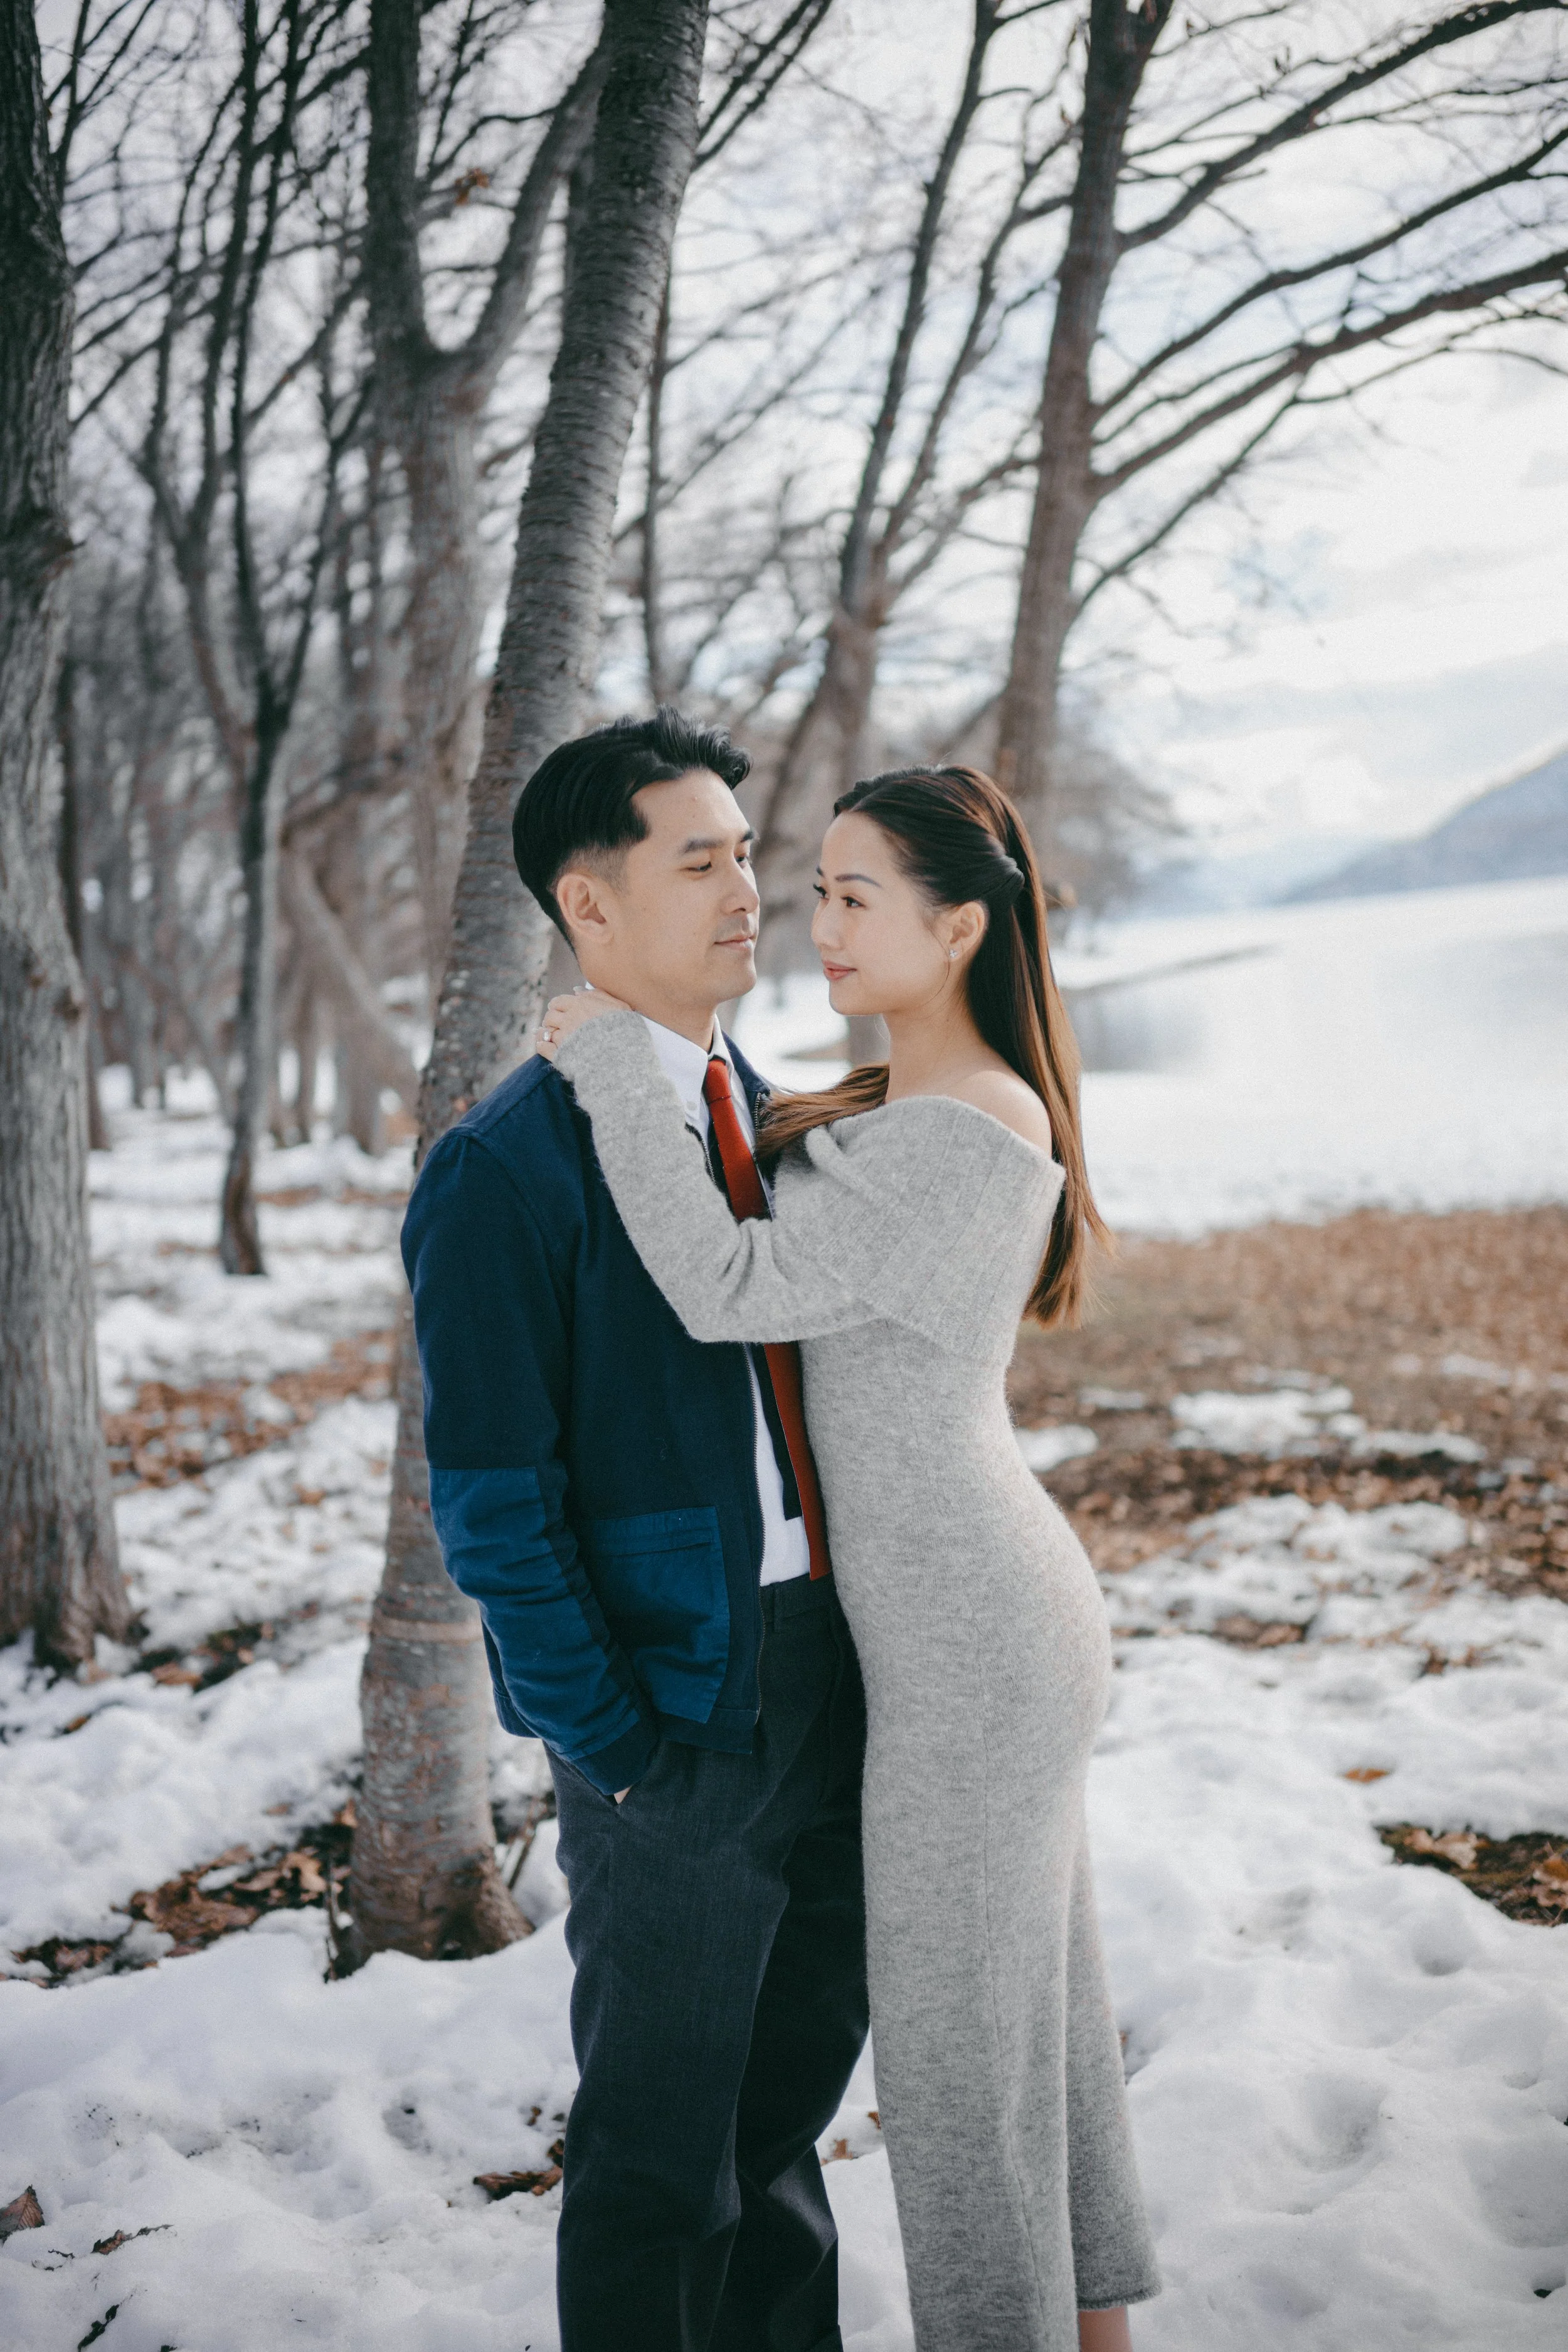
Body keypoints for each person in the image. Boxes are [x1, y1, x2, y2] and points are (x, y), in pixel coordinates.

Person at [537, 762, 1162, 2352]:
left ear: (956, 928)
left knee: (961, 2073)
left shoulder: (971, 1126)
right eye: (810, 888)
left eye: (852, 895)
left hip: (970, 1637)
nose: (812, 921)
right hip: (958, 1622)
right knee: (1028, 2037)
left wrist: (611, 1062)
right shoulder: (905, 1102)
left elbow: (725, 1280)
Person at [401, 709, 869, 2352]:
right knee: (660, 2162)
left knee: (780, 2136)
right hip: (675, 1718)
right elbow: (494, 1500)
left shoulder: (771, 1115)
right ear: (587, 904)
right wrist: (606, 1735)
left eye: (747, 851)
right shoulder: (504, 1170)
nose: (750, 885)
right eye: (699, 859)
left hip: (837, 1678)